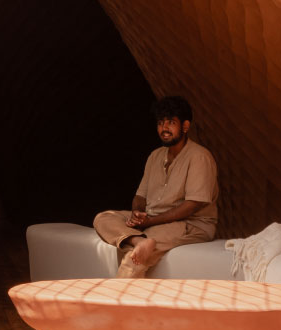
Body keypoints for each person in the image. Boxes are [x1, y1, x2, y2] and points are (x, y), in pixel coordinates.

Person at [92, 96, 218, 277]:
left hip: (190, 224)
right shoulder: (155, 156)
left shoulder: (199, 157)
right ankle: (138, 241)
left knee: (134, 258)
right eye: (160, 123)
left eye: (171, 123)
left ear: (185, 126)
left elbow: (192, 206)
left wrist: (149, 222)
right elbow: (140, 196)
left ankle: (118, 302)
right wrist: (137, 214)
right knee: (103, 218)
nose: (164, 128)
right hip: (154, 219)